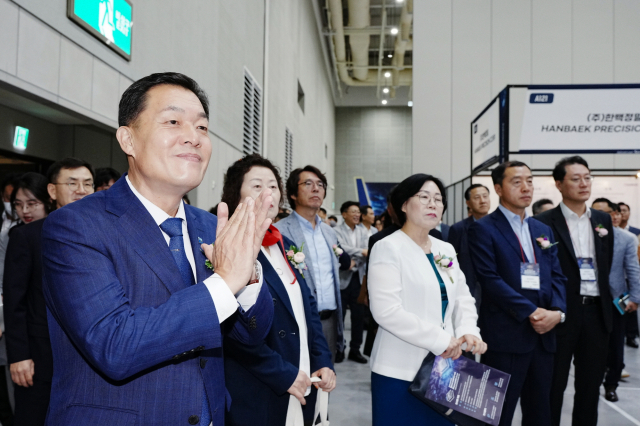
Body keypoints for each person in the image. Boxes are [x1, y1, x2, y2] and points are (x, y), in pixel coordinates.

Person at [41, 72, 274, 425]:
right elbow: (114, 346)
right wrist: (225, 282)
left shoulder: (212, 227)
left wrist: (249, 276)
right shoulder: (76, 226)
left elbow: (251, 334)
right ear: (128, 139)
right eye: (173, 121)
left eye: (202, 128)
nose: (193, 138)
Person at [221, 155, 335, 426]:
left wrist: (323, 359)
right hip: (263, 382)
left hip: (305, 374)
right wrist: (282, 373)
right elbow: (230, 328)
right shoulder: (227, 245)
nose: (267, 193)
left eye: (272, 186)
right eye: (257, 186)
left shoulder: (284, 243)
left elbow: (308, 309)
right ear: (237, 194)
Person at [368, 173, 486, 426]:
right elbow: (386, 311)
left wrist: (468, 331)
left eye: (438, 199)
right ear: (403, 205)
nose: (433, 204)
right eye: (424, 197)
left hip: (446, 368)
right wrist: (440, 339)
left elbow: (462, 296)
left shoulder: (444, 248)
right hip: (400, 369)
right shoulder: (388, 247)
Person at [468, 161, 566, 426]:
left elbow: (557, 274)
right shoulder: (483, 228)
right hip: (506, 336)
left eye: (530, 181)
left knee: (540, 413)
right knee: (495, 415)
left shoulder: (542, 230)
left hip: (544, 336)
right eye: (517, 182)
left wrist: (556, 312)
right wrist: (531, 311)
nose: (526, 188)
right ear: (498, 188)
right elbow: (489, 279)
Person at [536, 156, 614, 426]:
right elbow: (544, 270)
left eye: (587, 177)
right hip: (562, 314)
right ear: (559, 184)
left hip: (596, 313)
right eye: (576, 178)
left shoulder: (603, 220)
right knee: (553, 386)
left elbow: (606, 264)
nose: (584, 184)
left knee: (590, 387)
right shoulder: (543, 222)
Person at [4, 170, 72, 425]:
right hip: (36, 354)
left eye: (32, 203)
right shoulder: (23, 236)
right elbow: (15, 301)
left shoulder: (70, 231)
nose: (25, 210)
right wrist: (19, 355)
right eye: (18, 205)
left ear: (48, 199)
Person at [276, 166, 345, 363]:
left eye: (320, 185)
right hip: (295, 322)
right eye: (308, 184)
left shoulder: (329, 233)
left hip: (329, 321)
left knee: (325, 383)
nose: (316, 189)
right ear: (292, 194)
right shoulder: (280, 232)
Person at [591, 199, 640, 402]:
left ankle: (611, 384)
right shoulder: (585, 235)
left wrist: (635, 298)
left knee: (616, 343)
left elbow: (632, 269)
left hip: (617, 298)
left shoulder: (626, 238)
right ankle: (591, 382)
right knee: (591, 345)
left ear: (613, 214)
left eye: (606, 212)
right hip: (589, 298)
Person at [335, 201, 369, 364]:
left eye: (358, 212)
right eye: (353, 212)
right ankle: (339, 349)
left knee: (358, 317)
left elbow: (367, 249)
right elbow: (341, 248)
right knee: (339, 318)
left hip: (358, 279)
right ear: (344, 214)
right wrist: (361, 252)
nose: (357, 215)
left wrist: (354, 260)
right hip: (342, 278)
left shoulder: (363, 231)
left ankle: (355, 350)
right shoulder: (336, 231)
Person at [448, 183, 490, 304]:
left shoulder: (500, 226)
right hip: (469, 286)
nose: (483, 201)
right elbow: (452, 261)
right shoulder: (458, 229)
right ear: (468, 203)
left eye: (485, 196)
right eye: (477, 198)